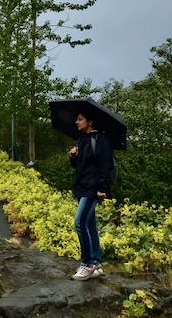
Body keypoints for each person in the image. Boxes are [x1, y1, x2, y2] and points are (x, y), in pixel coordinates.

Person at [69, 110, 113, 281]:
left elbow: (106, 165)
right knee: (90, 225)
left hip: (93, 189)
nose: (76, 122)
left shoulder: (101, 140)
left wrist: (101, 187)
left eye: (80, 119)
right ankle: (96, 262)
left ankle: (87, 265)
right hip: (82, 187)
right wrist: (73, 156)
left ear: (90, 121)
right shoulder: (82, 139)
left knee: (79, 223)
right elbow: (79, 166)